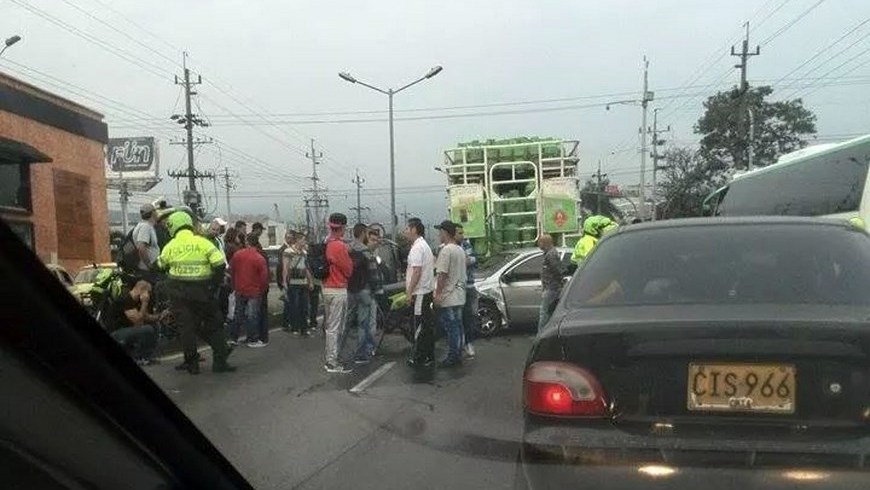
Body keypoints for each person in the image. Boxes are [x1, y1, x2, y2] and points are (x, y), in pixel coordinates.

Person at [156, 210, 236, 374]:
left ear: (172, 227)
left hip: (178, 293)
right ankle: (220, 362)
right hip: (203, 291)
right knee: (214, 324)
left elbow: (158, 266)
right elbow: (219, 264)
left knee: (186, 328)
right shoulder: (202, 242)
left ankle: (193, 365)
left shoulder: (170, 246)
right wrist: (213, 285)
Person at [322, 213, 354, 374]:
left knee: (330, 325)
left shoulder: (326, 242)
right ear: (342, 227)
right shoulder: (339, 246)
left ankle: (331, 357)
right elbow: (348, 269)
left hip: (326, 287)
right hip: (338, 288)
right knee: (335, 327)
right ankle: (332, 361)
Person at [433, 221, 467, 368]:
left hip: (448, 295)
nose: (438, 235)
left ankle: (453, 356)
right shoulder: (460, 250)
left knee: (451, 328)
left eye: (440, 232)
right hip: (460, 294)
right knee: (458, 326)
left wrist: (438, 294)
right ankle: (458, 353)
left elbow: (442, 274)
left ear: (445, 233)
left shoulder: (446, 251)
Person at [107, 279, 165, 365]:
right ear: (142, 290)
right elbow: (138, 320)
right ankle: (139, 357)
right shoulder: (126, 299)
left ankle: (146, 356)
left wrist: (160, 316)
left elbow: (146, 316)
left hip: (127, 330)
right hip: (117, 332)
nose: (149, 295)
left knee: (154, 326)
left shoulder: (136, 300)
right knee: (147, 329)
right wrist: (145, 303)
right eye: (148, 292)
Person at [405, 218, 436, 368]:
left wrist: (409, 292)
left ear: (414, 229)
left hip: (420, 292)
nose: (406, 232)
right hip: (427, 291)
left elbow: (416, 272)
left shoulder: (417, 248)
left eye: (407, 229)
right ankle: (429, 356)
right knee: (427, 325)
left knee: (420, 326)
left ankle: (419, 357)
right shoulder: (425, 246)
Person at [230, 234, 270, 348]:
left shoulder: (237, 255)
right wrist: (262, 289)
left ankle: (233, 338)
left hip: (240, 288)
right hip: (254, 290)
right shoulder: (259, 258)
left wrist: (234, 285)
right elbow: (264, 277)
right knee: (252, 316)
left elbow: (232, 271)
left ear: (247, 242)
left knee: (238, 314)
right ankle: (252, 339)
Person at [347, 223, 379, 365]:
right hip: (365, 290)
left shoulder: (347, 249)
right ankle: (362, 353)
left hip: (350, 290)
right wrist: (377, 290)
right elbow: (373, 274)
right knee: (364, 323)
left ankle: (339, 352)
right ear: (363, 233)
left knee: (347, 322)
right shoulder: (367, 252)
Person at [283, 232, 313, 336]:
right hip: (293, 281)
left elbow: (306, 268)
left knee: (304, 306)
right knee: (294, 305)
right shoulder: (288, 251)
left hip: (303, 281)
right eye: (303, 240)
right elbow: (285, 267)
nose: (304, 242)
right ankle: (295, 326)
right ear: (298, 240)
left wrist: (310, 281)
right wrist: (284, 282)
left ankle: (304, 328)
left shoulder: (304, 252)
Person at [455, 224, 477, 358]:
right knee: (457, 318)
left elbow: (473, 260)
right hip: (456, 287)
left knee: (470, 316)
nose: (462, 235)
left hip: (468, 286)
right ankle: (458, 344)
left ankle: (468, 343)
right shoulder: (448, 247)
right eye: (459, 232)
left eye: (462, 232)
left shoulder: (466, 244)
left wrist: (463, 260)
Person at [538, 234, 565, 331]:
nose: (538, 244)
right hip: (551, 287)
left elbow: (557, 271)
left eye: (539, 242)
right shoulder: (549, 254)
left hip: (551, 288)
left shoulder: (551, 255)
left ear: (544, 243)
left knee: (544, 312)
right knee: (550, 312)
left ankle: (541, 334)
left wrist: (558, 284)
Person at [132, 203, 160, 279]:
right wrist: (149, 265)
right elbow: (141, 247)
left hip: (145, 269)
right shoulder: (145, 227)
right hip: (146, 270)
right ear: (153, 213)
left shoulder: (142, 225)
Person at [276, 230, 295, 331]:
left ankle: (291, 322)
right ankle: (286, 323)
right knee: (288, 302)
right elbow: (280, 267)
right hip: (286, 279)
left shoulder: (294, 249)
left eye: (291, 237)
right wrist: (281, 282)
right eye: (288, 237)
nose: (290, 239)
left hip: (293, 279)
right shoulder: (283, 250)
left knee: (292, 302)